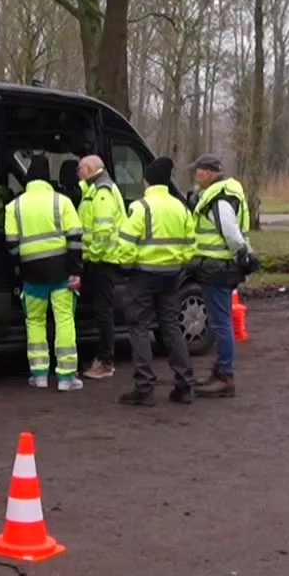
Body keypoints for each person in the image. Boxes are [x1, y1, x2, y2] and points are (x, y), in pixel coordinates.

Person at [116, 156, 198, 406]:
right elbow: (190, 245)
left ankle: (144, 388)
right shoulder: (180, 208)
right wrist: (177, 263)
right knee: (171, 327)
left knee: (139, 327)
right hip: (171, 275)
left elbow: (126, 243)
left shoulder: (141, 208)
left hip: (143, 275)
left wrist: (126, 265)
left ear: (147, 181)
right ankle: (184, 386)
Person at [4, 166, 85, 391]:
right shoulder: (62, 202)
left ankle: (39, 375)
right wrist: (76, 271)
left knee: (35, 322)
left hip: (31, 275)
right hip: (61, 273)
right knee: (64, 320)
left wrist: (19, 271)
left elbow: (11, 245)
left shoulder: (14, 206)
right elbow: (76, 240)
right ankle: (66, 378)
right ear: (47, 179)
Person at [188, 154, 259, 398]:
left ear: (209, 173)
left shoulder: (218, 200)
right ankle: (220, 373)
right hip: (218, 267)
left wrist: (243, 256)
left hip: (217, 268)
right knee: (222, 321)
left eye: (198, 171)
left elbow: (230, 233)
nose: (195, 175)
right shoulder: (221, 195)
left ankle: (224, 376)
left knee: (221, 323)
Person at [75, 153, 127, 380]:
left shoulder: (102, 192)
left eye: (79, 168)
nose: (77, 172)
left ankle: (106, 362)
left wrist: (91, 255)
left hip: (103, 261)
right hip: (99, 259)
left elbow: (104, 231)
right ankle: (102, 358)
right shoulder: (95, 190)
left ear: (88, 168)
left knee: (104, 312)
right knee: (100, 311)